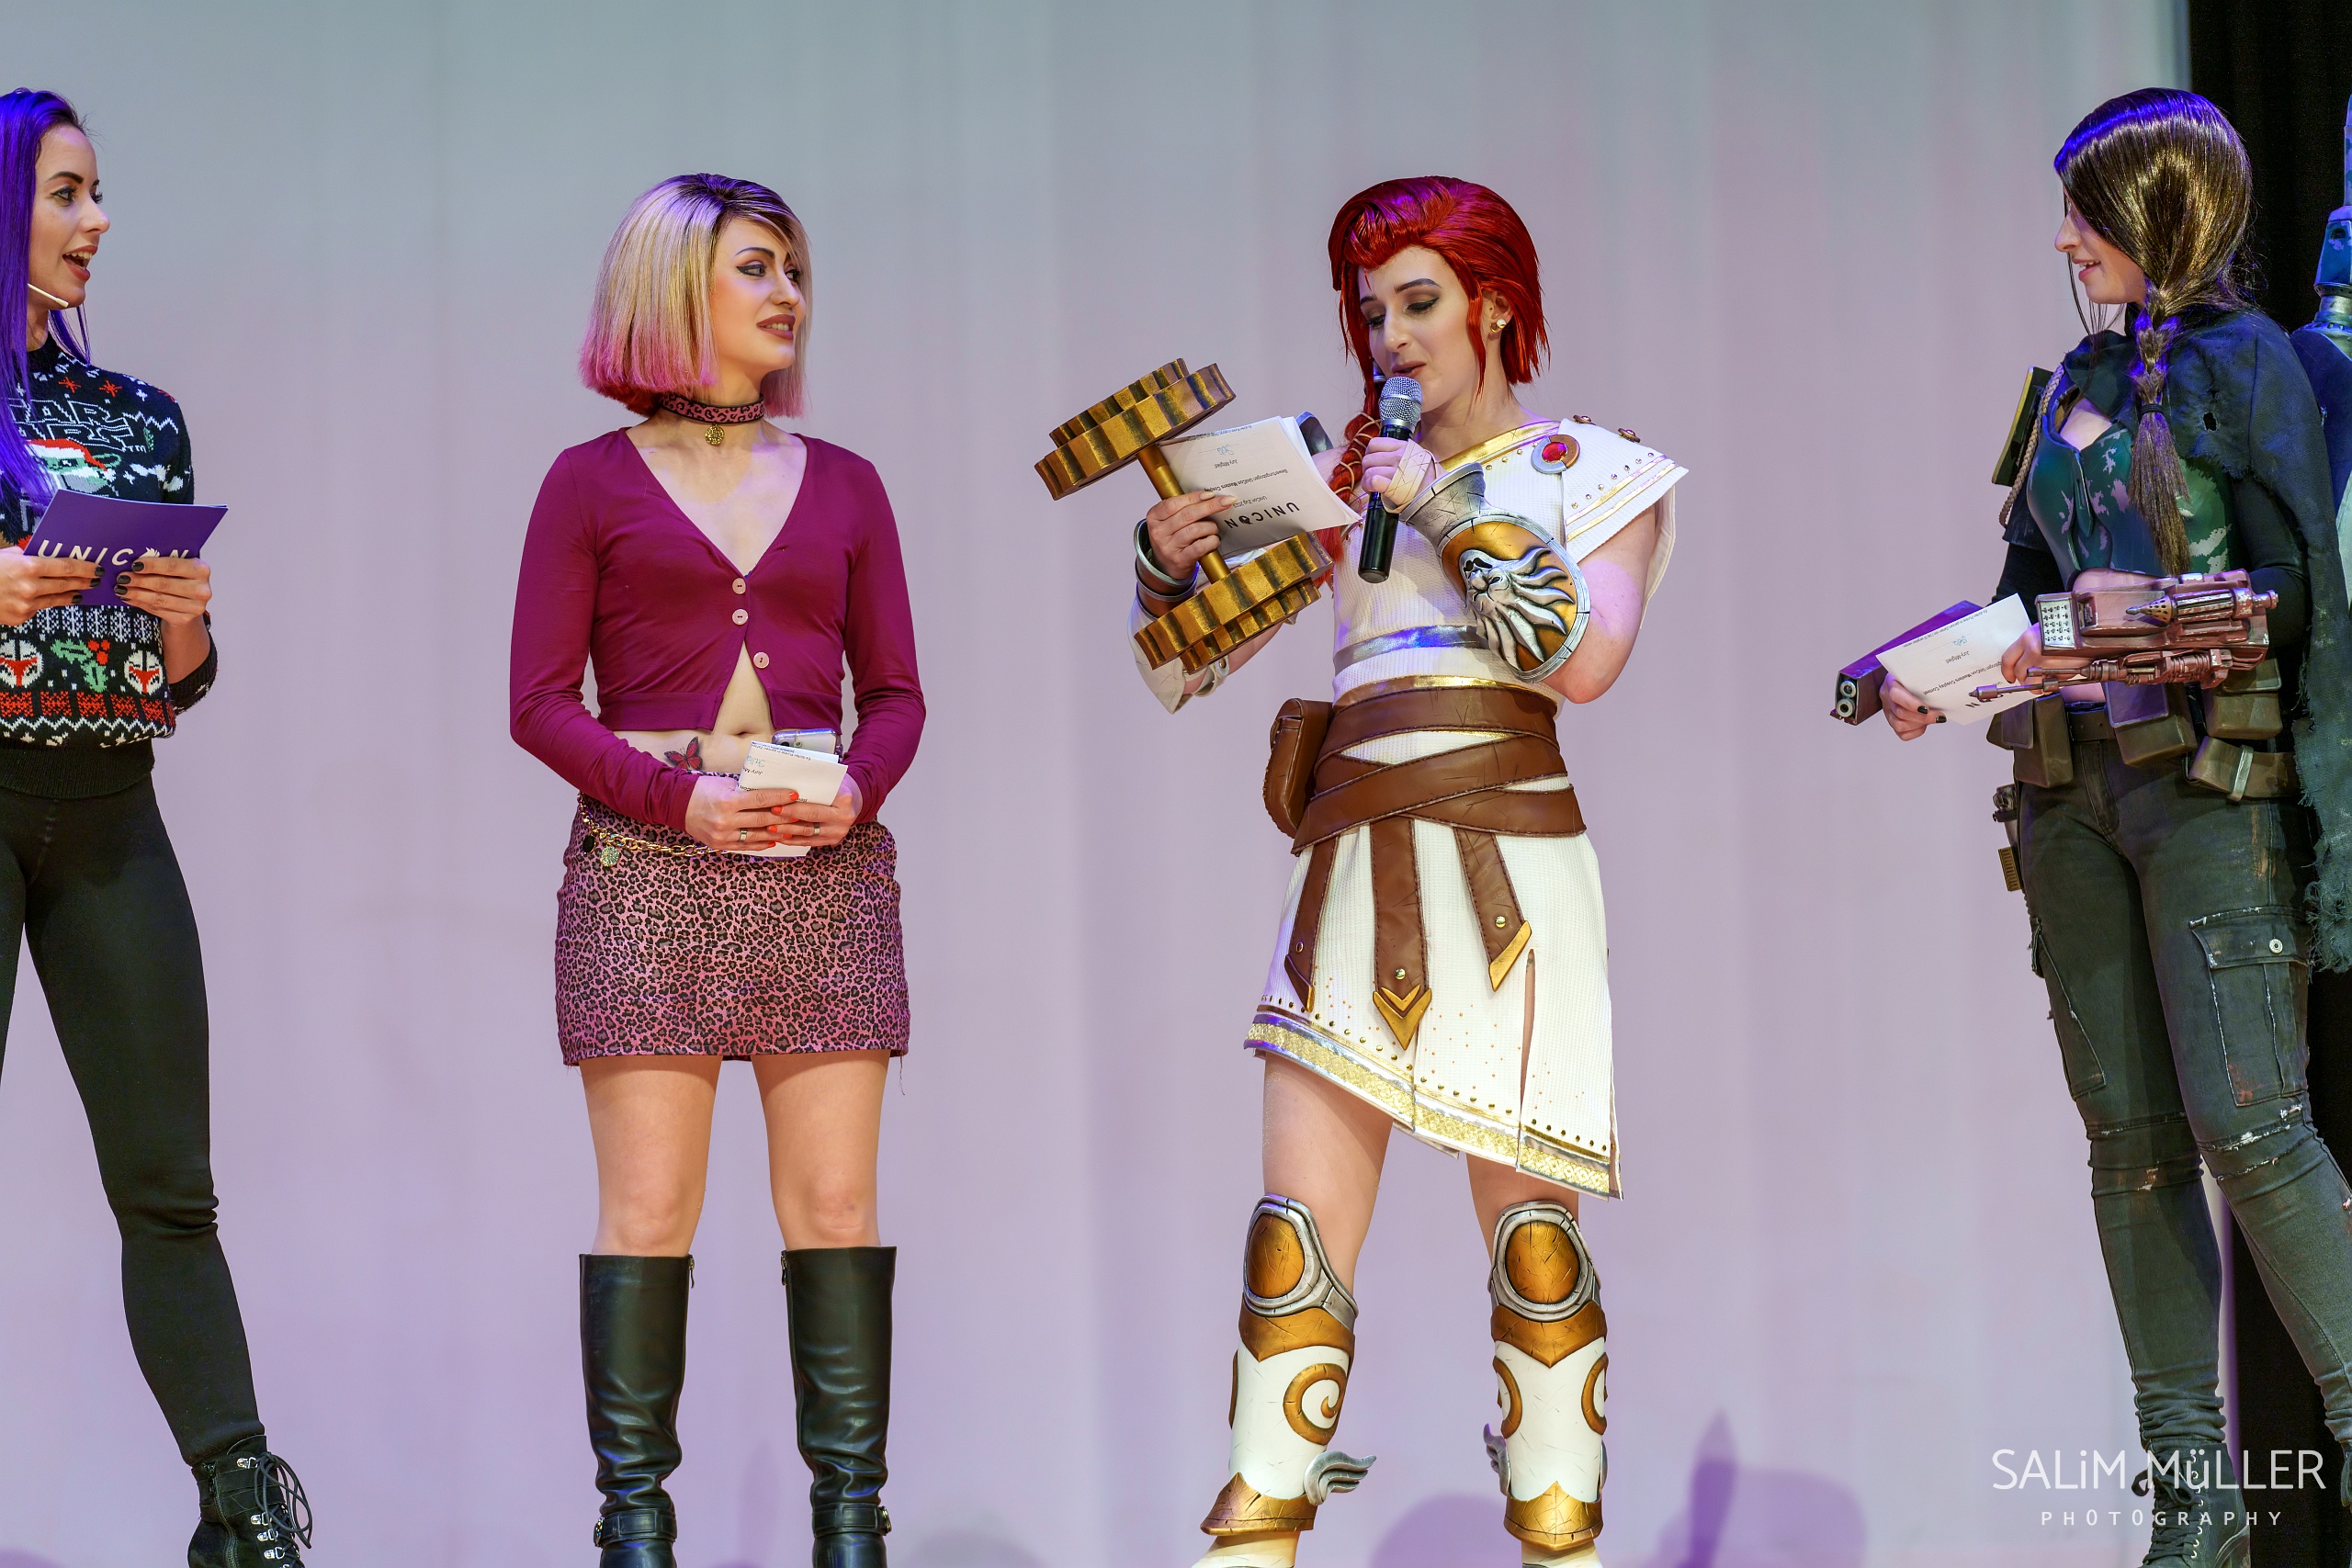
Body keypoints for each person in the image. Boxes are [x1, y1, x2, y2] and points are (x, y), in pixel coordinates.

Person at [1132, 176, 1683, 1568]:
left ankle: (1561, 1545)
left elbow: (1582, 658)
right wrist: (1167, 569)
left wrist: (1438, 502)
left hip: (1512, 875)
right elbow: (1180, 669)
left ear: (1496, 305)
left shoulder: (1594, 470)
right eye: (1371, 312)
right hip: (1348, 867)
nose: (1391, 337)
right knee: (1292, 1241)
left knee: (1535, 1246)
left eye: (1419, 302)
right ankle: (1253, 1543)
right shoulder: (1338, 493)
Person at [1883, 88, 2352, 1566]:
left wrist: (2149, 621)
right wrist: (1941, 672)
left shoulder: (2255, 365)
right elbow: (2024, 583)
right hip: (2069, 794)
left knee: (2253, 1133)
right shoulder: (2071, 383)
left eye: (2087, 213)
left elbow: (2300, 591)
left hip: (2210, 787)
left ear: (2162, 213)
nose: (2065, 241)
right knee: (2131, 1148)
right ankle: (2193, 1510)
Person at [510, 174, 924, 1568]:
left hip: (821, 875)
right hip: (644, 875)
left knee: (837, 1212)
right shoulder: (586, 482)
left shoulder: (849, 483)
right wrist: (678, 802)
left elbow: (898, 696)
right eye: (757, 267)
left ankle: (851, 1532)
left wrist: (857, 786)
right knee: (648, 1215)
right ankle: (636, 1534)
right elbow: (537, 704)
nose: (788, 294)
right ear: (675, 285)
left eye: (794, 268)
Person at [0, 88, 312, 1565]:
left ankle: (242, 1515)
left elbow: (180, 680)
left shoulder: (139, 416)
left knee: (170, 1188)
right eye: (67, 193)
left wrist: (183, 625)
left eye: (98, 192)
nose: (98, 221)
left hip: (111, 807)